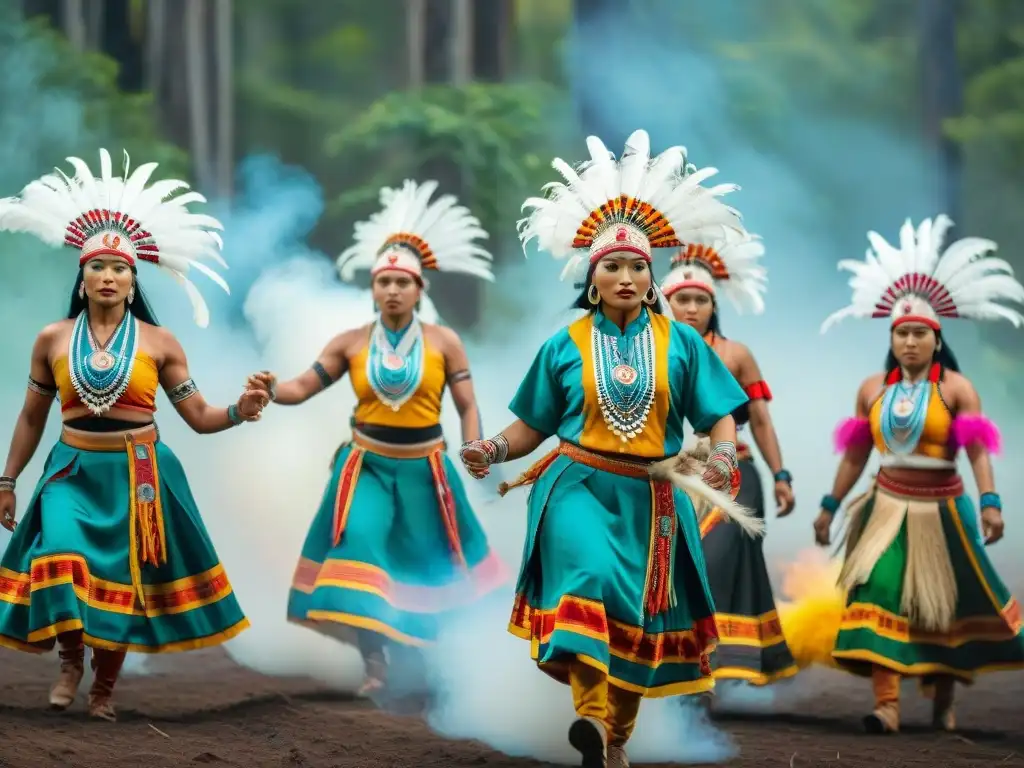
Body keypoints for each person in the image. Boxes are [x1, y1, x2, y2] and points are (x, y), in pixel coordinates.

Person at [459, 129, 764, 768]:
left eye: (637, 266)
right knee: (587, 577)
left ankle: (612, 741)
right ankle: (590, 718)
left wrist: (726, 453)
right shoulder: (562, 344)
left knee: (637, 620)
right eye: (612, 266)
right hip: (575, 484)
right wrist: (489, 448)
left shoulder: (682, 344)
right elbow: (531, 427)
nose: (626, 275)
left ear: (651, 279)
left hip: (652, 499)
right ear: (592, 279)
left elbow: (722, 416)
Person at [0, 149, 268, 721]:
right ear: (82, 275)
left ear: (132, 279)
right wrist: (6, 480)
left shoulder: (160, 342)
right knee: (62, 556)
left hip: (137, 475)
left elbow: (197, 415)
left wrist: (240, 410)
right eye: (97, 266)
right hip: (70, 471)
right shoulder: (52, 338)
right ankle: (71, 659)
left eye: (119, 269)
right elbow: (30, 418)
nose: (108, 276)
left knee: (119, 581)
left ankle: (103, 691)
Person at [248, 179, 506, 699]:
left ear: (420, 289)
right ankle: (376, 665)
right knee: (360, 549)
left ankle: (426, 667)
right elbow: (303, 385)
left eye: (402, 282)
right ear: (372, 287)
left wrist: (476, 447)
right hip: (365, 467)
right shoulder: (349, 343)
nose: (392, 290)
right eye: (383, 280)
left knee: (426, 564)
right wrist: (273, 388)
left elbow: (466, 405)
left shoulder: (443, 342)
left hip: (426, 471)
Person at [810, 214, 1024, 733]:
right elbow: (856, 455)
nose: (909, 342)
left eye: (919, 334)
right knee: (876, 591)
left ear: (935, 337)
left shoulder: (957, 389)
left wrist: (991, 502)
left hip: (943, 512)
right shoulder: (871, 390)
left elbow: (977, 454)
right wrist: (830, 505)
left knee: (939, 610)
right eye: (902, 333)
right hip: (884, 507)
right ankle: (887, 705)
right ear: (891, 335)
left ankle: (942, 700)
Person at [661, 230, 799, 690]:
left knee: (717, 557)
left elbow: (760, 420)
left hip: (736, 471)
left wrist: (780, 475)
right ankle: (679, 664)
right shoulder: (657, 351)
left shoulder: (737, 355)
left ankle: (712, 664)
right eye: (683, 299)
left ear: (713, 303)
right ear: (668, 303)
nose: (693, 308)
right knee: (672, 561)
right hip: (679, 472)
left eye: (701, 299)